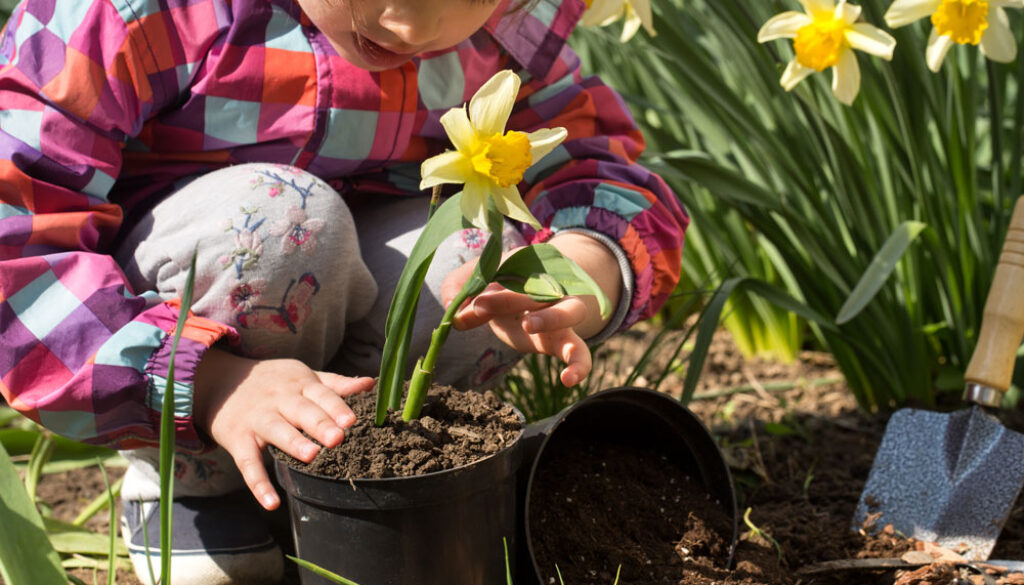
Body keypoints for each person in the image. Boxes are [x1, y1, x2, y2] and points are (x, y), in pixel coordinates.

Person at [0, 0, 689, 582]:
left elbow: (595, 158)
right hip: (184, 326)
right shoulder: (147, 15)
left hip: (352, 293)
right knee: (285, 218)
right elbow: (15, 232)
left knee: (484, 254)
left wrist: (584, 261)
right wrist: (207, 381)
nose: (412, 29)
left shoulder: (504, 33)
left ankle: (377, 482)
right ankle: (198, 487)